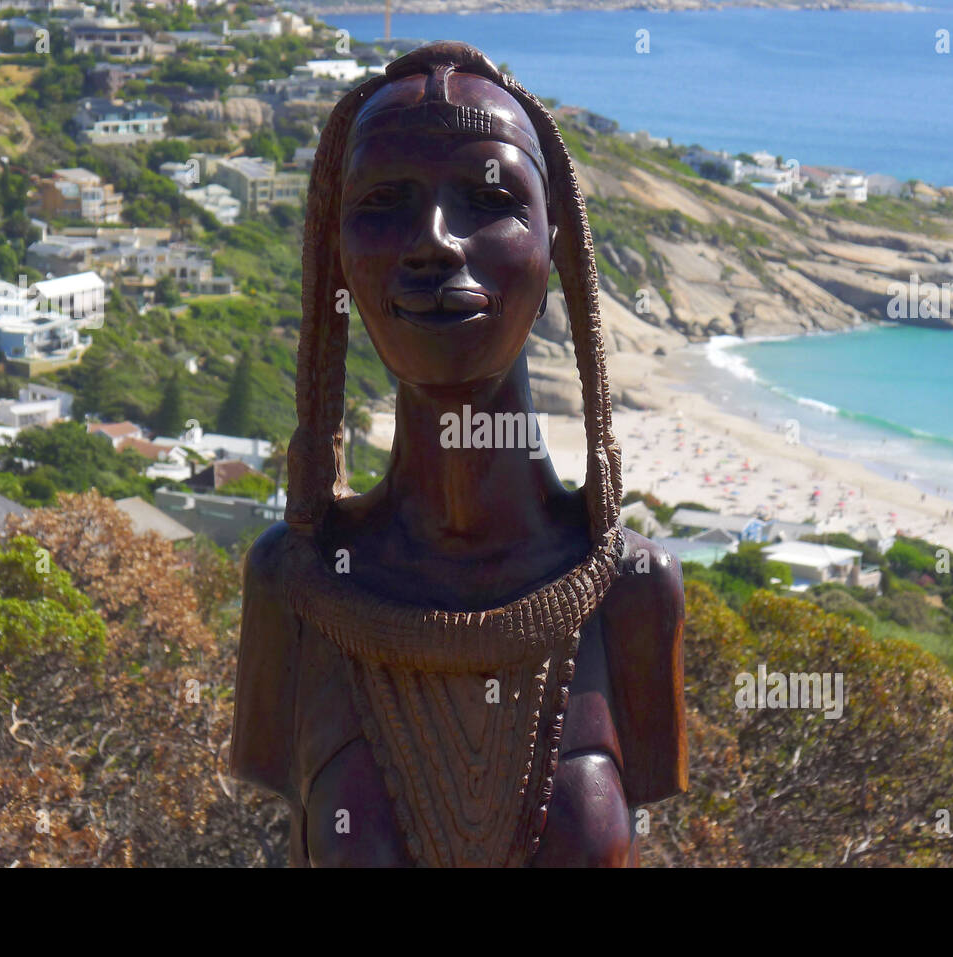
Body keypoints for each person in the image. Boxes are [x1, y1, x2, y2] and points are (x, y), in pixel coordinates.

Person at [230, 42, 687, 867]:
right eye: (385, 202)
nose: (434, 243)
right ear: (336, 255)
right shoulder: (293, 587)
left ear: (556, 253)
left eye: (487, 198)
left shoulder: (632, 592)